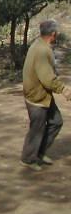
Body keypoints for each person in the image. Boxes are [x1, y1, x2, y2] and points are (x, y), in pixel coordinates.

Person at [21, 19, 71, 171]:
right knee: (37, 128)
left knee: (56, 122)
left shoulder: (39, 45)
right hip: (37, 97)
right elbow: (48, 79)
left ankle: (40, 152)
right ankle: (28, 159)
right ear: (53, 34)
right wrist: (64, 90)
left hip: (42, 96)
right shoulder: (42, 50)